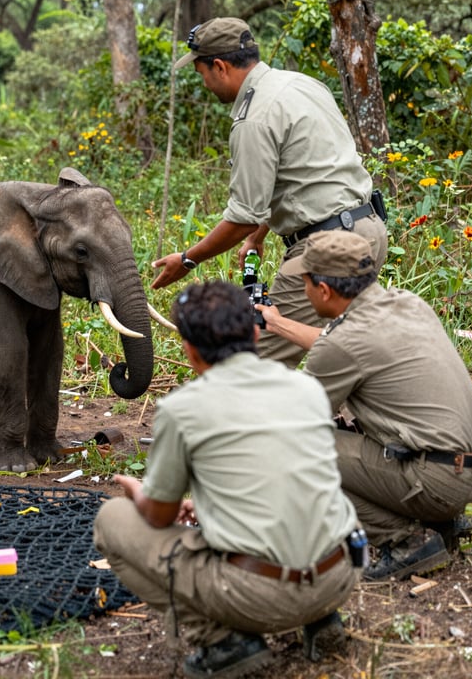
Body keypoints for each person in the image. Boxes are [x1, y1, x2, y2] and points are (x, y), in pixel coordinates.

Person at [93, 281, 363, 677]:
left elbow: (158, 516)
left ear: (187, 348)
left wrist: (141, 496)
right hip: (341, 572)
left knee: (112, 521)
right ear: (255, 331)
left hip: (260, 593)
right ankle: (322, 618)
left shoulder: (182, 409)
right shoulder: (306, 388)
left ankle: (223, 641)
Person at [151, 16, 388, 368]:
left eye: (202, 73)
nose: (204, 84)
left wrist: (188, 259)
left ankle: (249, 422)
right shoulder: (302, 84)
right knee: (352, 351)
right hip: (368, 230)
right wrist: (260, 236)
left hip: (324, 250)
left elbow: (243, 217)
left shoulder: (254, 118)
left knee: (255, 365)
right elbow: (296, 172)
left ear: (219, 66)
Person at [257, 230, 472, 580]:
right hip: (465, 471)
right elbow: (345, 344)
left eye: (305, 282)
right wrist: (277, 323)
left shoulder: (343, 344)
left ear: (324, 290)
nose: (303, 290)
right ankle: (442, 522)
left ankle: (407, 539)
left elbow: (296, 422)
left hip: (436, 481)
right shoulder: (408, 303)